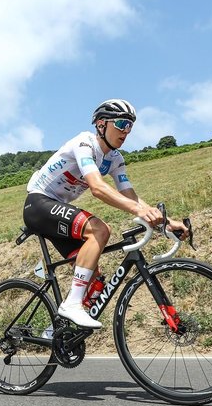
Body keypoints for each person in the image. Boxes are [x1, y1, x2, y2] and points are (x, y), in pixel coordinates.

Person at [24, 99, 188, 329]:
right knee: (100, 230)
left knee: (94, 279)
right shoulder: (84, 144)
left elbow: (130, 195)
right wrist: (140, 210)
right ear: (102, 124)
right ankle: (71, 305)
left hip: (58, 210)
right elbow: (98, 188)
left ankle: (56, 333)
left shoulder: (115, 159)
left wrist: (166, 222)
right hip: (39, 204)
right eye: (121, 124)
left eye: (130, 126)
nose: (126, 131)